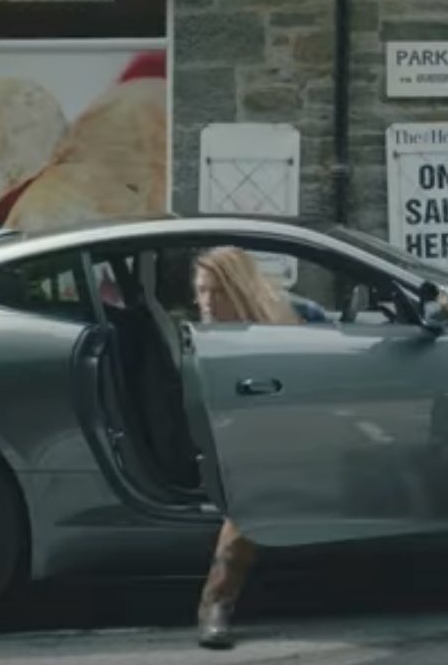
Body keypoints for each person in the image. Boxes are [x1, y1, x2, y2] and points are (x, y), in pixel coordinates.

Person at [191, 246, 302, 649]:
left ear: (238, 289)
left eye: (216, 291)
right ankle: (215, 602)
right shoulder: (202, 339)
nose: (206, 302)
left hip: (270, 440)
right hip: (212, 448)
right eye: (201, 291)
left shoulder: (273, 327)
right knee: (258, 484)